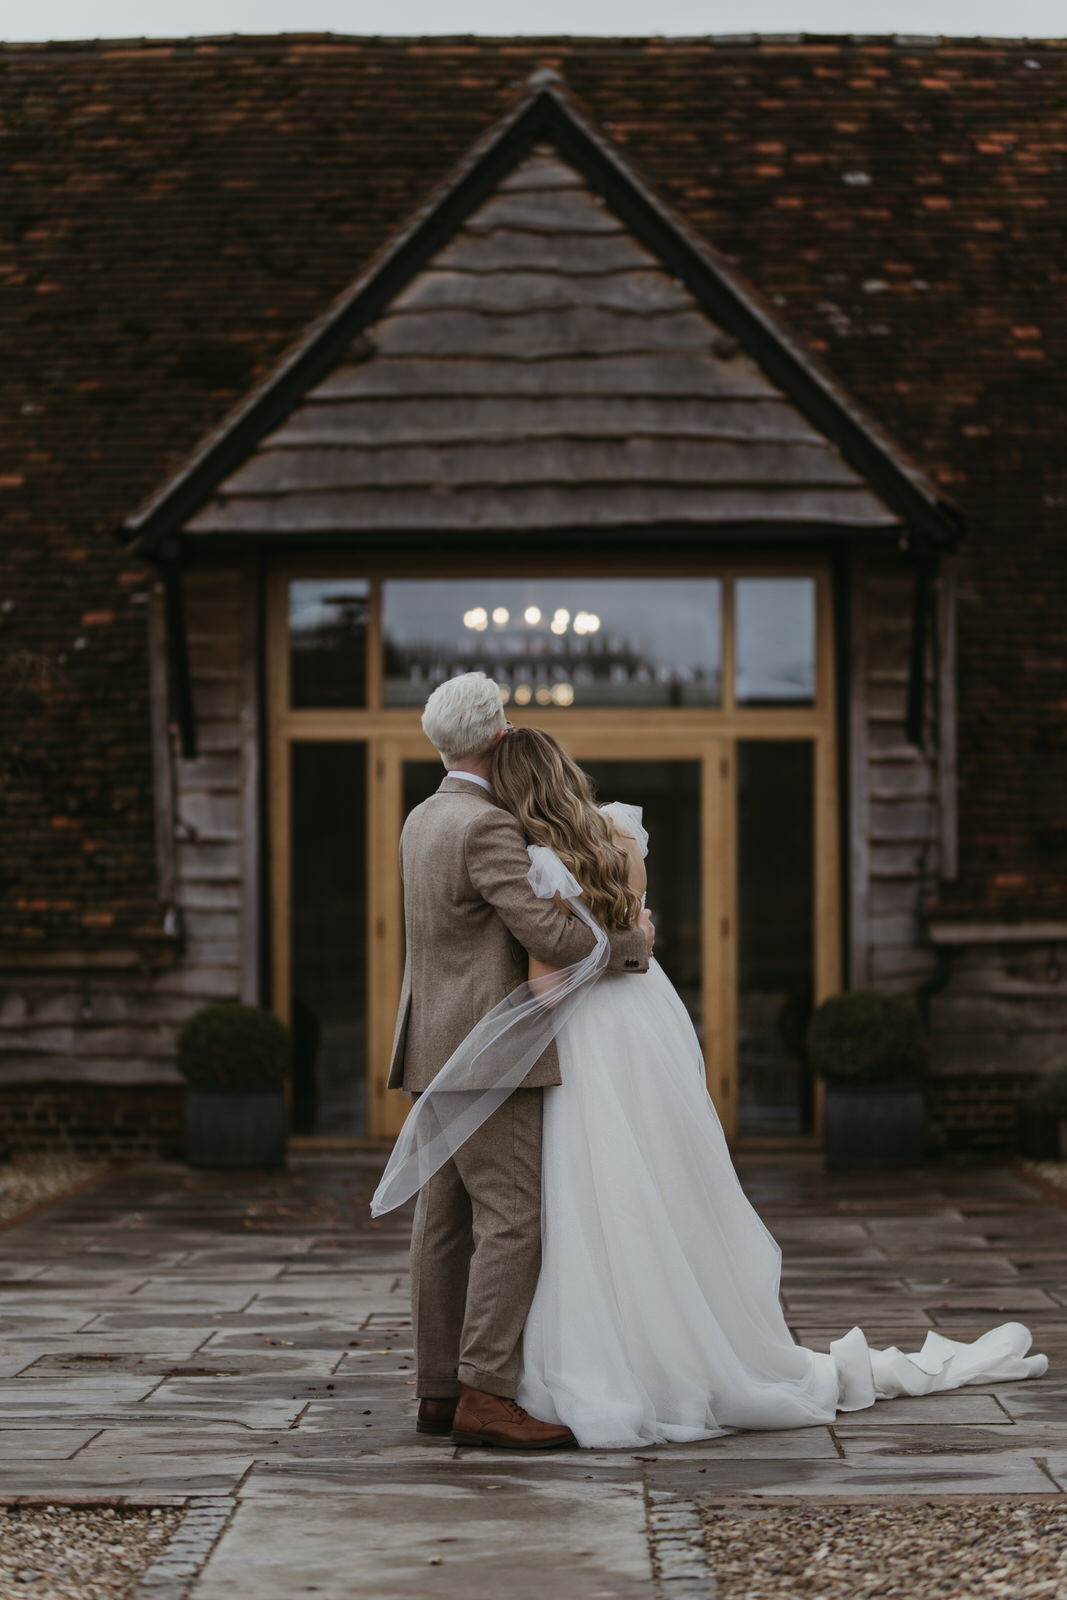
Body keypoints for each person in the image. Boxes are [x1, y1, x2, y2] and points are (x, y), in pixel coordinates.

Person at [479, 726, 1045, 1449]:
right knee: (659, 1182)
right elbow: (635, 935)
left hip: (587, 1039)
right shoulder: (618, 833)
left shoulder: (541, 866)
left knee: (595, 1193)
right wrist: (628, 940)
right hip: (642, 1021)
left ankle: (625, 1351)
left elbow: (547, 992)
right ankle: (688, 1340)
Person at [386, 674, 654, 1450]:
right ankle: (486, 1395)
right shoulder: (485, 828)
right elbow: (557, 940)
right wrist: (634, 942)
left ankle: (439, 1392)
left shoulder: (420, 818)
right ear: (499, 737)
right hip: (489, 1050)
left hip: (431, 1047)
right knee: (512, 1222)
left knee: (443, 1224)